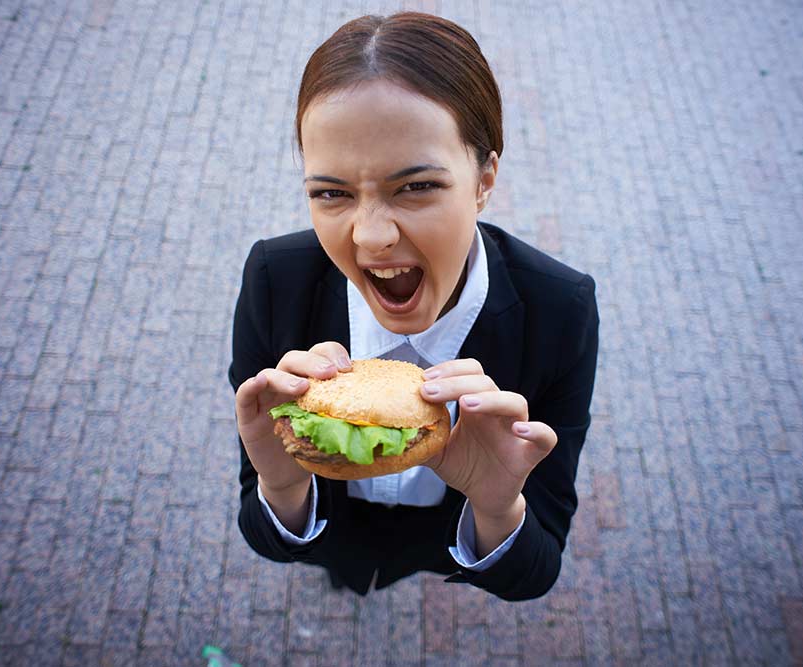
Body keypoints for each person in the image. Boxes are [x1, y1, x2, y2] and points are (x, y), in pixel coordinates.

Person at [227, 11, 599, 602]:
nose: (371, 238)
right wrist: (283, 488)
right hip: (336, 536)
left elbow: (537, 568)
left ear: (484, 179)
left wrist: (497, 507)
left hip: (441, 546)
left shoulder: (560, 309)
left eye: (416, 186)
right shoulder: (276, 279)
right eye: (331, 193)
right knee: (341, 575)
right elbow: (264, 530)